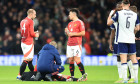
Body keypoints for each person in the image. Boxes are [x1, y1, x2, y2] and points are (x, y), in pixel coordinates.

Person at [107, 0, 140, 83]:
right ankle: (135, 79)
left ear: (122, 4)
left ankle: (124, 79)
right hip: (131, 39)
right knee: (133, 59)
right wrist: (132, 34)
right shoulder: (135, 14)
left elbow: (109, 23)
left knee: (123, 59)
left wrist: (110, 15)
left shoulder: (119, 13)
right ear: (129, 4)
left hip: (122, 39)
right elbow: (137, 28)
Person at [65, 8, 87, 81]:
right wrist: (67, 32)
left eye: (70, 14)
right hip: (69, 44)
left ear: (74, 14)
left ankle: (84, 76)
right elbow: (69, 34)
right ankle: (72, 77)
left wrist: (73, 34)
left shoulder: (80, 22)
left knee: (77, 60)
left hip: (76, 44)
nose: (69, 15)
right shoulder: (69, 24)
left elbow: (83, 33)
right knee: (71, 60)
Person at [17, 9, 39, 79]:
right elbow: (32, 34)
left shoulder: (22, 21)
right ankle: (19, 75)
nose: (35, 16)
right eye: (35, 14)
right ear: (31, 14)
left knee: (30, 61)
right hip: (28, 43)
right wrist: (36, 35)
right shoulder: (31, 21)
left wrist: (33, 33)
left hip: (23, 42)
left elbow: (26, 32)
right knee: (26, 60)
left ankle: (34, 74)